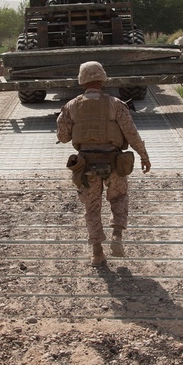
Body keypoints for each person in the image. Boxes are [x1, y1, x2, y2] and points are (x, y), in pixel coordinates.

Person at [56, 60, 151, 266]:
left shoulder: (71, 106)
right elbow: (131, 134)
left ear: (82, 81)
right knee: (119, 197)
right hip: (114, 163)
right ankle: (117, 235)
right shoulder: (116, 104)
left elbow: (63, 137)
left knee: (92, 208)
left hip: (86, 166)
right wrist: (144, 155)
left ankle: (97, 252)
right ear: (103, 79)